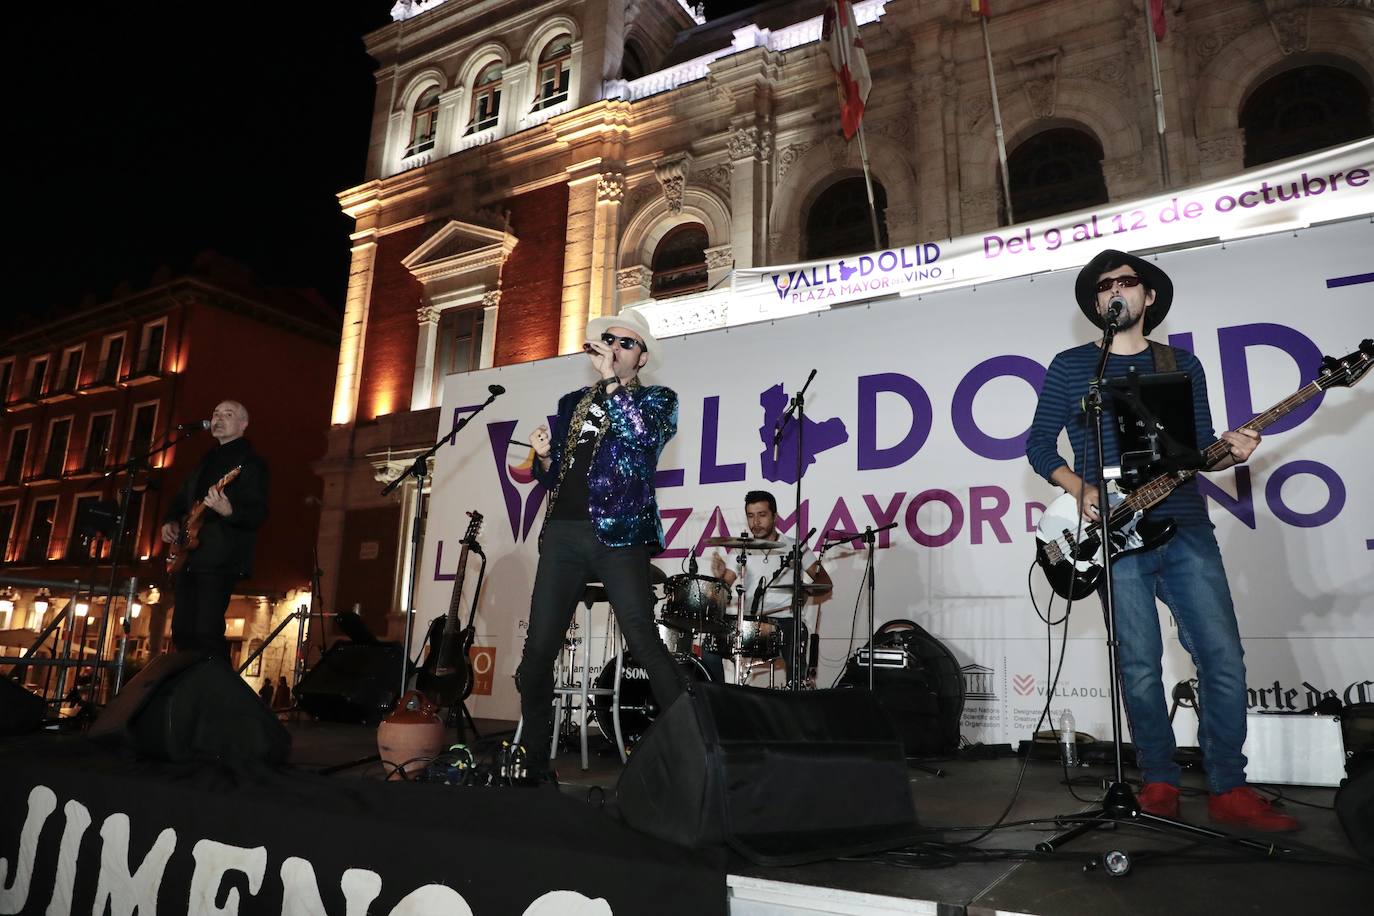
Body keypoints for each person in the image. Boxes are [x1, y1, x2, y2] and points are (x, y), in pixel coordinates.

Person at [1025, 249, 1297, 832]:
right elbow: (1039, 445)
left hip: (1185, 526)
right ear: (1096, 303)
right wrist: (1079, 487)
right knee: (1140, 664)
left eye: (1126, 282)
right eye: (1103, 286)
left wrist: (1234, 450)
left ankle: (1229, 785)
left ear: (1148, 297)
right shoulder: (1073, 366)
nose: (1114, 290)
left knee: (1221, 657)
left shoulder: (1182, 364)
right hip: (1111, 536)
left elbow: (1201, 451)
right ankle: (1158, 779)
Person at [518, 309, 684, 773]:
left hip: (621, 533)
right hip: (564, 533)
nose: (613, 347)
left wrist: (612, 384)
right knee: (536, 656)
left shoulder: (657, 399)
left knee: (644, 641)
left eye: (625, 343)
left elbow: (642, 437)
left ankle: (689, 747)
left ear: (642, 357)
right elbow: (555, 480)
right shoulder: (573, 401)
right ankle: (533, 763)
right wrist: (545, 457)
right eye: (607, 339)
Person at [160, 400, 268, 660]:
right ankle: (188, 690)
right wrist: (171, 521)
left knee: (207, 631)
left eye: (228, 414)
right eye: (216, 413)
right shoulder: (205, 461)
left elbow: (257, 513)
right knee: (182, 630)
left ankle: (212, 692)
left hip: (220, 558)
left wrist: (229, 510)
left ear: (243, 424)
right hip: (189, 557)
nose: (219, 418)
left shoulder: (251, 464)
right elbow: (182, 498)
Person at [710, 490, 831, 685]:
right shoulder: (741, 548)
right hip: (749, 624)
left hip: (785, 622)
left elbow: (825, 582)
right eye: (751, 516)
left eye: (762, 515)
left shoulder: (795, 547)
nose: (755, 522)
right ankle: (717, 696)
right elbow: (723, 589)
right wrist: (720, 576)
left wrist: (804, 590)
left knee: (795, 638)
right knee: (710, 645)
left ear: (775, 516)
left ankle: (796, 696)